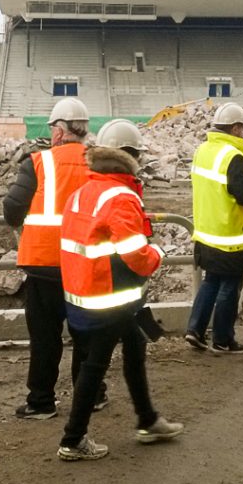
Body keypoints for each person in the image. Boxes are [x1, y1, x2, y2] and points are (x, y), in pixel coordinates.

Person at [57, 119, 183, 461]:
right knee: (95, 366)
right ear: (130, 156)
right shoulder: (120, 196)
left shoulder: (83, 191)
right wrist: (159, 253)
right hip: (111, 299)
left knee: (133, 349)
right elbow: (138, 258)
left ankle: (148, 420)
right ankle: (73, 440)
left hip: (87, 296)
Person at [3, 97, 104, 419]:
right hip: (86, 264)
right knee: (86, 334)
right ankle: (91, 396)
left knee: (45, 338)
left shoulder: (38, 163)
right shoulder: (99, 164)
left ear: (59, 132)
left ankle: (41, 402)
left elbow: (11, 211)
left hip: (44, 264)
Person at [185, 102, 243, 354]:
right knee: (230, 288)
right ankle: (223, 339)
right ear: (235, 127)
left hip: (207, 233)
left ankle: (195, 330)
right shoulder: (233, 156)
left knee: (211, 282)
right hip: (232, 236)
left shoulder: (202, 150)